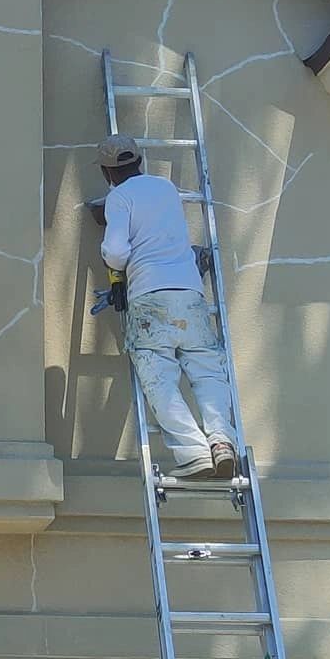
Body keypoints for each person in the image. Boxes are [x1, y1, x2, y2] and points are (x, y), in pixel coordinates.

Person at [89, 133, 237, 480]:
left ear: (107, 173)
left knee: (159, 378)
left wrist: (109, 220)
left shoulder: (119, 197)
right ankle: (221, 441)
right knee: (206, 370)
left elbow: (116, 252)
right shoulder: (166, 188)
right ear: (139, 162)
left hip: (151, 297)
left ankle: (194, 452)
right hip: (189, 292)